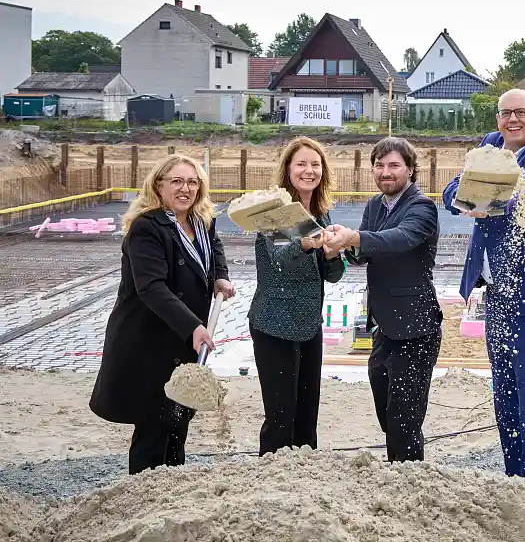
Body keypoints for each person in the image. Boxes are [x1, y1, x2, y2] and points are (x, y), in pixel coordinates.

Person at [442, 89, 525, 482]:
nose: (512, 120)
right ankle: (513, 476)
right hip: (497, 291)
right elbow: (452, 190)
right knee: (504, 391)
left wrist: (481, 191)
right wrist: (470, 194)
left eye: (521, 112)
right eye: (505, 113)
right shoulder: (489, 144)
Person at [89, 154, 235, 475]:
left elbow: (215, 248)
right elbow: (151, 287)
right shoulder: (147, 227)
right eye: (177, 181)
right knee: (154, 425)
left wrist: (221, 276)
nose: (186, 189)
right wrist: (193, 327)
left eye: (192, 182)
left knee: (177, 421)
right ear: (159, 186)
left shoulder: (201, 221)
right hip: (150, 342)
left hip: (182, 341)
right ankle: (144, 491)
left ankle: (172, 486)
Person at [323, 137, 442, 463]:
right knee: (385, 405)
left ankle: (407, 475)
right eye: (379, 165)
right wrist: (342, 245)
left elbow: (400, 239)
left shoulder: (422, 207)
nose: (385, 172)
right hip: (384, 326)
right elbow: (364, 253)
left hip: (416, 327)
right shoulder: (375, 205)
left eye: (394, 165)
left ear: (410, 169)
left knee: (404, 420)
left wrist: (355, 237)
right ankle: (399, 466)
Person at [247, 136, 345, 456]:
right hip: (274, 324)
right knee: (280, 417)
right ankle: (273, 474)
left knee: (306, 414)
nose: (309, 171)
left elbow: (333, 275)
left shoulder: (321, 213)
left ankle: (306, 473)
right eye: (301, 164)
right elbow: (280, 261)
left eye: (315, 164)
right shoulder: (274, 213)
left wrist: (333, 254)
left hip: (309, 325)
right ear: (287, 170)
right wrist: (305, 243)